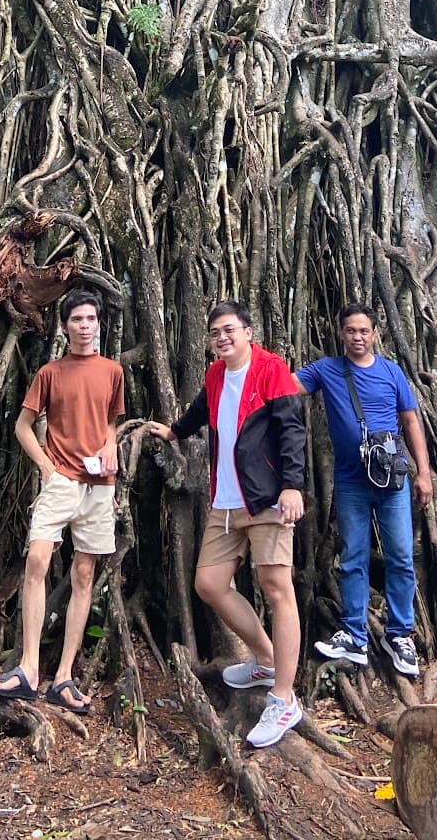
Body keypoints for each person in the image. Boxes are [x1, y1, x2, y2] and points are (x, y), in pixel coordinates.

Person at [146, 301, 307, 748]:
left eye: (230, 329)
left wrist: (292, 486)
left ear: (248, 331)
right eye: (215, 332)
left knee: (277, 590)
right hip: (226, 499)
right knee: (209, 583)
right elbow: (202, 410)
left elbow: (292, 430)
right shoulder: (216, 375)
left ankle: (283, 698)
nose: (222, 337)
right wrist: (174, 432)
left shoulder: (272, 369)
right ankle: (266, 658)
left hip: (268, 498)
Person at [0, 287, 124, 713]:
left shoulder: (113, 371)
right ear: (65, 327)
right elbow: (23, 427)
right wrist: (46, 466)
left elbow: (111, 423)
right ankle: (28, 667)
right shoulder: (49, 373)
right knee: (38, 560)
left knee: (84, 573)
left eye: (90, 319)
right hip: (61, 480)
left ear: (99, 324)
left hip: (100, 485)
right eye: (77, 320)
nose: (85, 326)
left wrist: (112, 445)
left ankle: (63, 676)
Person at [297, 301, 432, 676]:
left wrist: (424, 473)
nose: (358, 337)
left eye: (364, 331)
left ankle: (399, 634)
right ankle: (354, 634)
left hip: (392, 481)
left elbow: (410, 421)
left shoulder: (392, 373)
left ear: (375, 334)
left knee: (401, 556)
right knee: (353, 557)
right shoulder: (327, 370)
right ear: (341, 333)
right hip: (352, 481)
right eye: (351, 330)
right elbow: (285, 386)